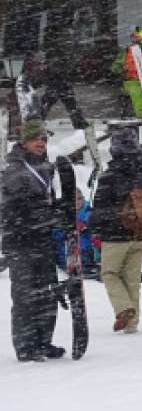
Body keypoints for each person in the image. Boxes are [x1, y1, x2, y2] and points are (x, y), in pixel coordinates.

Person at [2, 121, 66, 361]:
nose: (41, 143)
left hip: (42, 240)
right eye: (36, 139)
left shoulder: (44, 168)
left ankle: (43, 341)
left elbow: (44, 202)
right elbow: (13, 209)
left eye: (44, 139)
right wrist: (45, 215)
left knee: (48, 293)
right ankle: (26, 346)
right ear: (24, 142)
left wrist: (58, 211)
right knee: (25, 295)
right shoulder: (14, 170)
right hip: (21, 242)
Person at [89, 127, 142, 333]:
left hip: (116, 235)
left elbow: (100, 208)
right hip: (141, 232)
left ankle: (124, 308)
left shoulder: (109, 176)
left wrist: (95, 226)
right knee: (132, 278)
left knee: (109, 273)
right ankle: (131, 325)